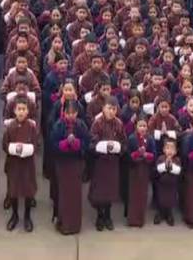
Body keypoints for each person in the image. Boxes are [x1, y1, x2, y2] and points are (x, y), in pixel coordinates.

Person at [49, 99, 89, 234]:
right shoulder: (58, 125)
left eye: (73, 113)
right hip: (63, 164)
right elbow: (53, 144)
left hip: (76, 164)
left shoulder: (81, 125)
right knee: (63, 194)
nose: (71, 115)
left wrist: (77, 144)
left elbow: (86, 143)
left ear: (77, 113)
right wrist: (65, 144)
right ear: (64, 112)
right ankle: (63, 223)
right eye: (68, 113)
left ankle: (75, 225)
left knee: (75, 195)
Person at [3, 96, 39, 232]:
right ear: (14, 111)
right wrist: (14, 148)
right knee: (13, 190)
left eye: (24, 109)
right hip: (13, 163)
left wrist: (26, 149)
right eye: (19, 109)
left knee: (28, 190)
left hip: (27, 164)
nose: (21, 112)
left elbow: (35, 144)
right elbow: (4, 144)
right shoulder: (10, 126)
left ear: (28, 111)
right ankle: (15, 215)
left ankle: (27, 216)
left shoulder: (31, 127)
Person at [89, 96, 125, 230]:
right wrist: (103, 146)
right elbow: (92, 142)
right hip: (100, 162)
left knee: (110, 190)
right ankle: (99, 216)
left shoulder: (119, 124)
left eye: (114, 109)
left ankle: (108, 216)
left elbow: (123, 142)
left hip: (113, 162)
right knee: (100, 191)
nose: (111, 111)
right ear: (103, 108)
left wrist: (117, 147)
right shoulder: (97, 123)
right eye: (109, 108)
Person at [125, 116, 156, 227]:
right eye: (140, 126)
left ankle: (140, 219)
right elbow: (127, 154)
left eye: (144, 126)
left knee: (143, 194)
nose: (142, 128)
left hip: (145, 169)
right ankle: (132, 219)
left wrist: (146, 155)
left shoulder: (150, 139)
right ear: (136, 127)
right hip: (134, 170)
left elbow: (154, 153)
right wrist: (137, 154)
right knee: (134, 194)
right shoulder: (132, 138)